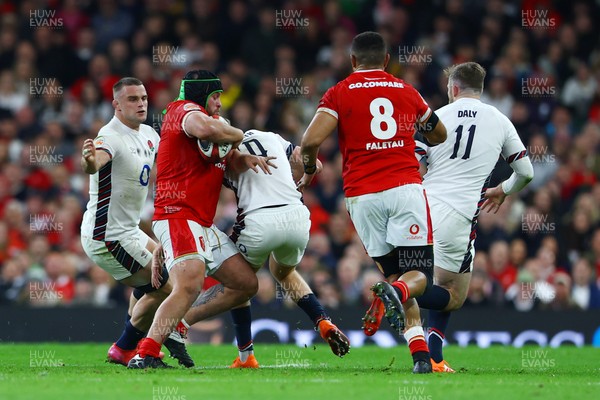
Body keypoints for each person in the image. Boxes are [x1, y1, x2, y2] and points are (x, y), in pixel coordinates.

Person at [367, 62, 534, 372]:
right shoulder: (499, 121)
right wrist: (503, 190)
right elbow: (526, 172)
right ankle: (400, 293)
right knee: (453, 294)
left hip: (421, 207)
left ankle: (433, 356)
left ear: (453, 89)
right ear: (479, 89)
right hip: (459, 214)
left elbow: (411, 161)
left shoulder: (437, 117)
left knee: (425, 278)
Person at [298, 32, 447, 374]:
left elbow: (310, 141)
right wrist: (411, 129)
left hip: (361, 197)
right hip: (403, 188)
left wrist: (309, 168)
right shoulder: (406, 90)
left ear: (352, 61)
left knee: (399, 276)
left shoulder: (339, 92)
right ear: (386, 59)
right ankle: (393, 293)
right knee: (417, 275)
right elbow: (439, 135)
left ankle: (421, 359)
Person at [128, 70, 272, 369]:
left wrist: (245, 159)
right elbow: (204, 128)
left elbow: (226, 163)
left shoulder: (215, 126)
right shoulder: (181, 110)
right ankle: (146, 352)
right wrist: (238, 133)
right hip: (177, 212)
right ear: (201, 94)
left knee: (245, 284)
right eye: (215, 96)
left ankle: (178, 324)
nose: (219, 102)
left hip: (201, 222)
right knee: (190, 284)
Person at [190, 129, 350, 368]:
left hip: (259, 221)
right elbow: (311, 161)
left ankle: (245, 355)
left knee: (238, 281)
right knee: (283, 271)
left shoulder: (221, 154)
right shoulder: (271, 137)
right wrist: (306, 175)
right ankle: (323, 321)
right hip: (296, 216)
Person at [80, 77, 193, 368]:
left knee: (167, 280)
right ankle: (143, 346)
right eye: (132, 99)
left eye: (143, 98)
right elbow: (97, 161)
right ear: (116, 104)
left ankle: (127, 347)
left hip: (128, 230)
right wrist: (89, 162)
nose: (141, 103)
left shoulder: (149, 135)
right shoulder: (110, 135)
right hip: (107, 236)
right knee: (168, 289)